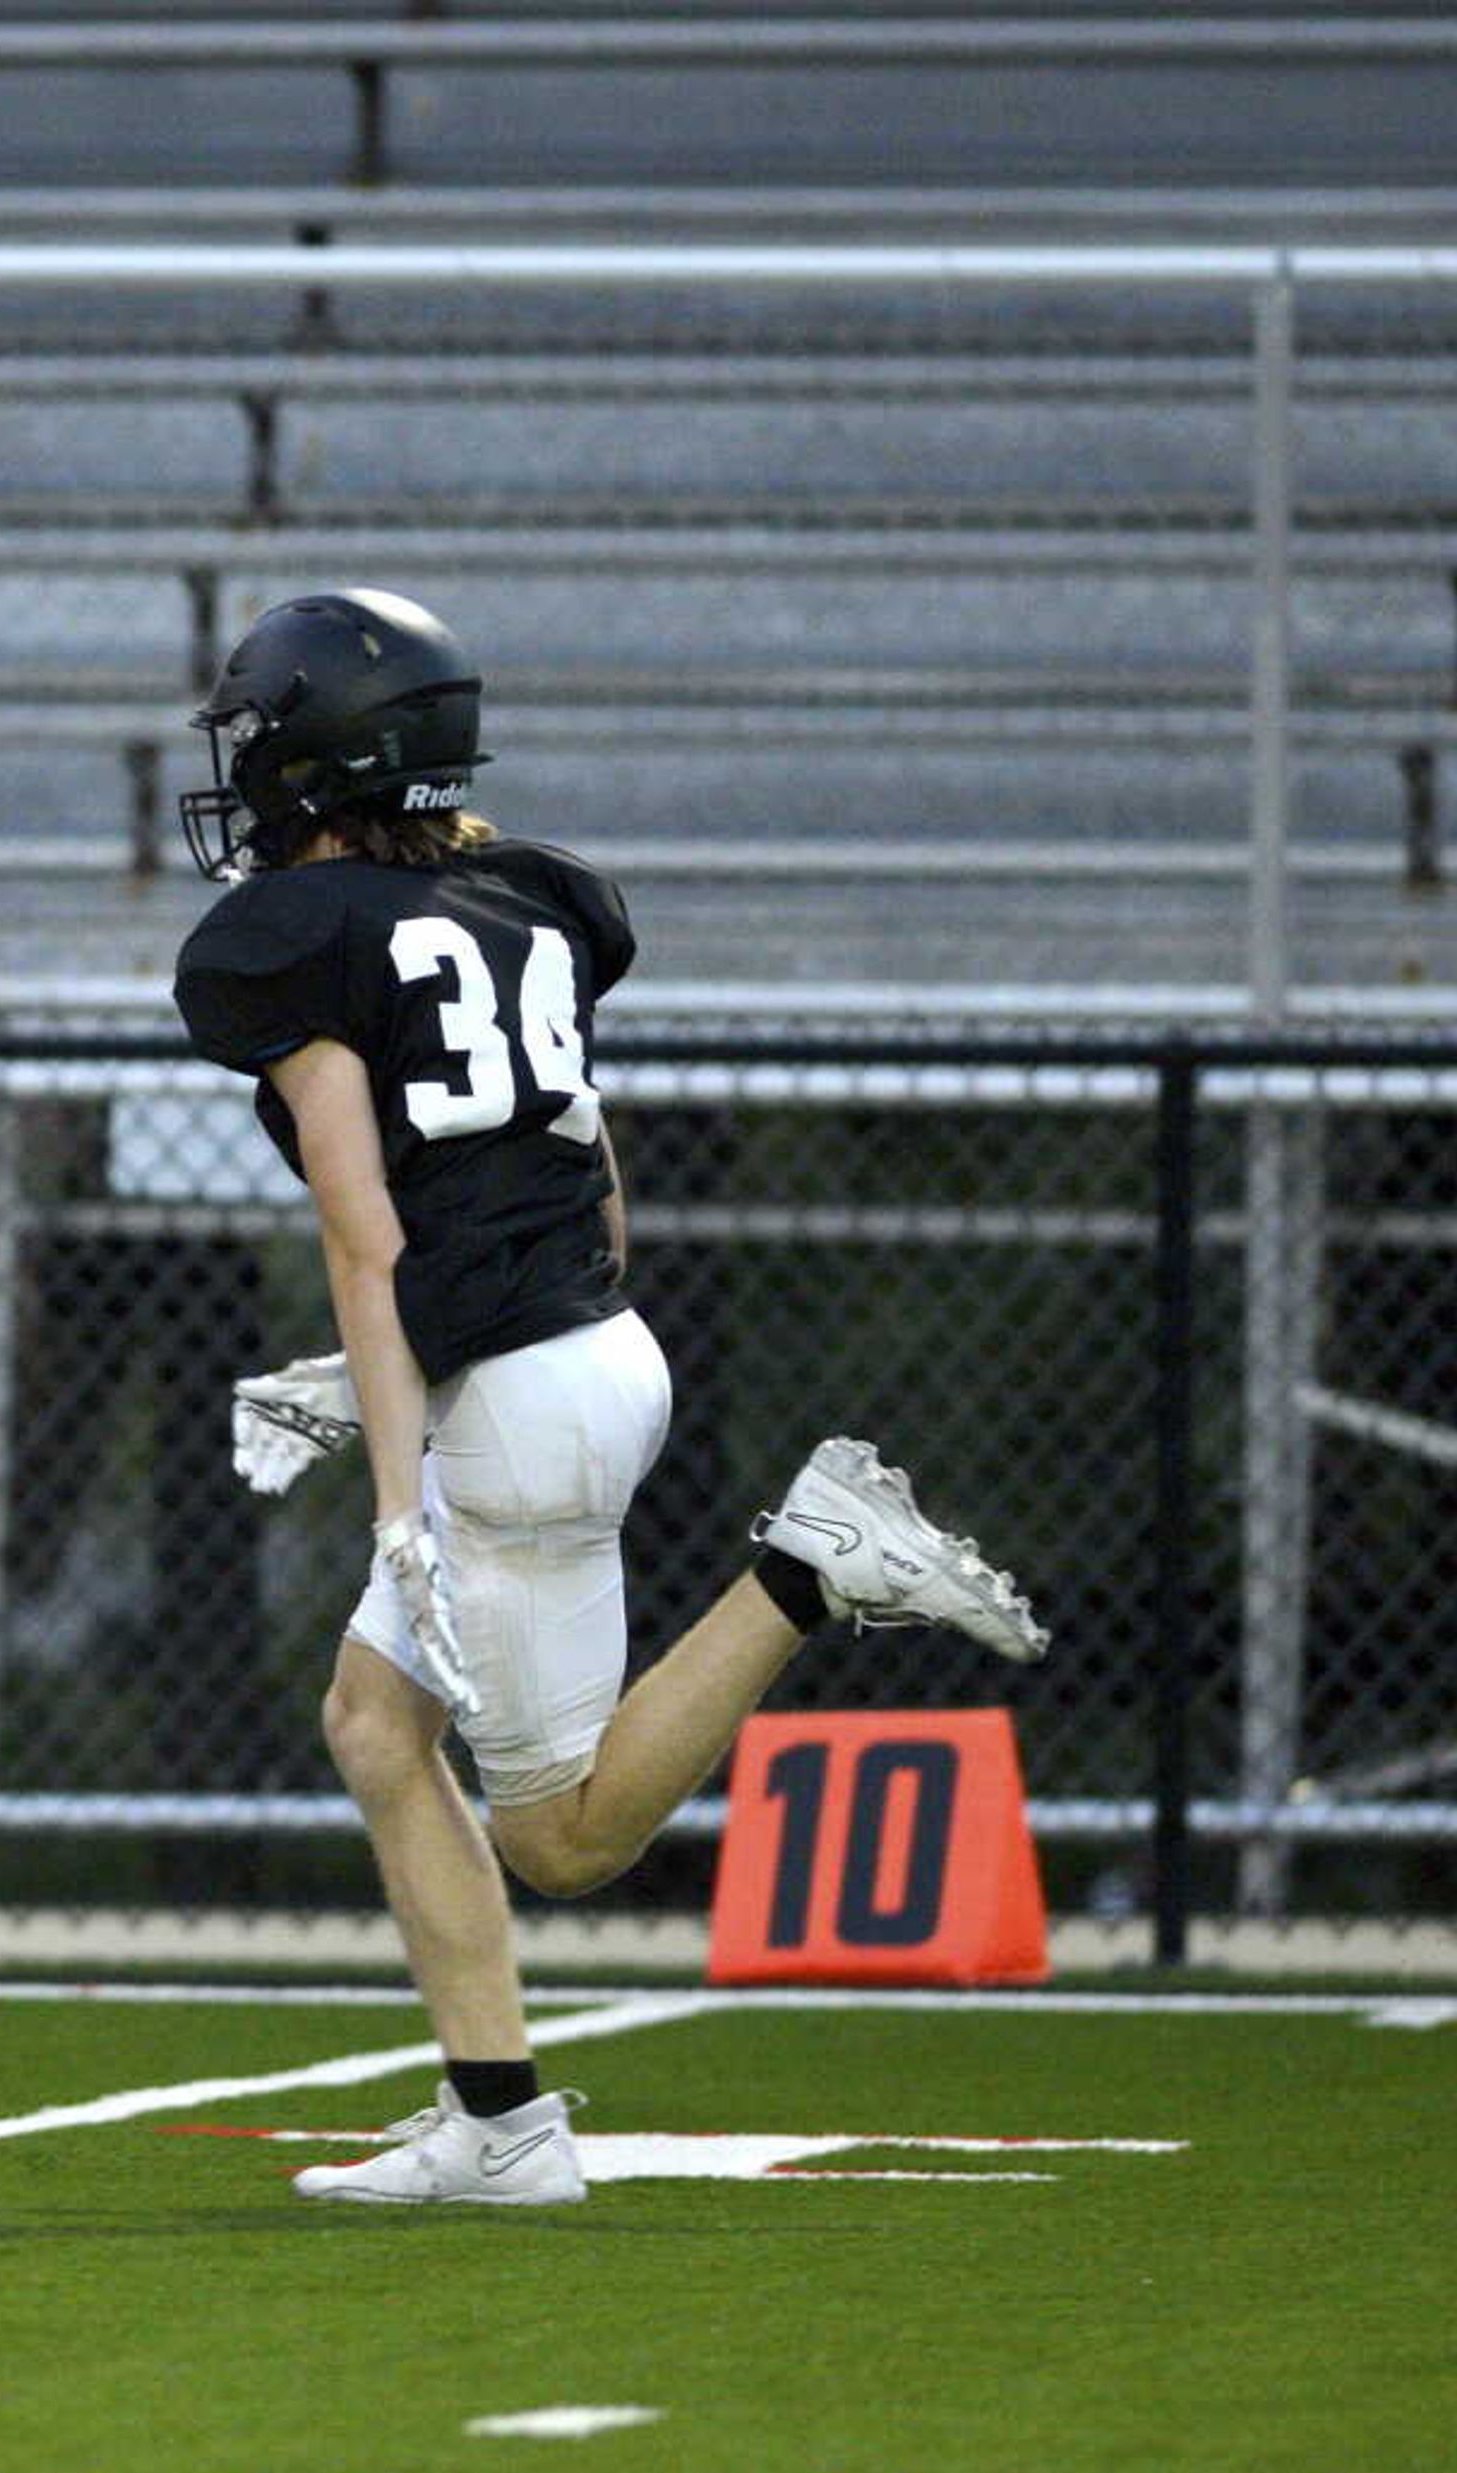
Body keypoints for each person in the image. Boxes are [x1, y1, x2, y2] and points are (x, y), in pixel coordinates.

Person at [168, 588, 1047, 2206]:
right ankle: (499, 2118)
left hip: (515, 1409)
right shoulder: (535, 893)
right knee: (374, 1729)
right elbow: (584, 1166)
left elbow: (366, 1242)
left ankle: (807, 1565)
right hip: (577, 1349)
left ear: (315, 762)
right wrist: (406, 1390)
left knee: (563, 1838)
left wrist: (392, 1486)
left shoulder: (285, 945)